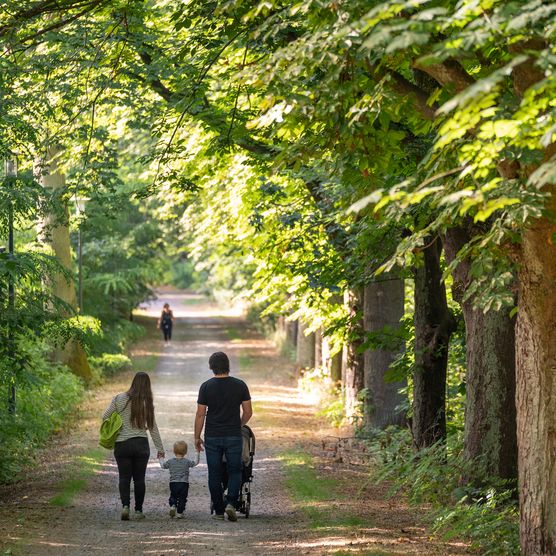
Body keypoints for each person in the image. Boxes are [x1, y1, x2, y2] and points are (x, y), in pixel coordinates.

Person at [194, 351, 253, 522]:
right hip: (233, 436)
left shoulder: (206, 386)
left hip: (212, 436)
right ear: (228, 365)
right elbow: (248, 412)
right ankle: (231, 504)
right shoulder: (240, 385)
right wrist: (238, 425)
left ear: (211, 367)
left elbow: (200, 414)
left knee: (214, 473)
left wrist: (197, 437)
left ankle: (219, 511)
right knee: (235, 470)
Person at [102, 372, 164, 520]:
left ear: (133, 383)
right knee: (139, 479)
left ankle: (125, 507)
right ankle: (138, 510)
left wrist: (118, 423)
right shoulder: (147, 402)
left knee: (124, 477)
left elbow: (105, 416)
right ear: (147, 386)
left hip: (122, 444)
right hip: (141, 444)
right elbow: (153, 428)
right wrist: (160, 448)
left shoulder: (119, 398)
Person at [159, 440, 200, 519]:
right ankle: (180, 513)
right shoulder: (187, 462)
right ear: (185, 452)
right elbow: (195, 463)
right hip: (184, 483)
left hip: (173, 483)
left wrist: (161, 458)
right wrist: (197, 452)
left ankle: (173, 505)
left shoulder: (170, 461)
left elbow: (163, 466)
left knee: (173, 496)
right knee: (182, 498)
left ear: (174, 451)